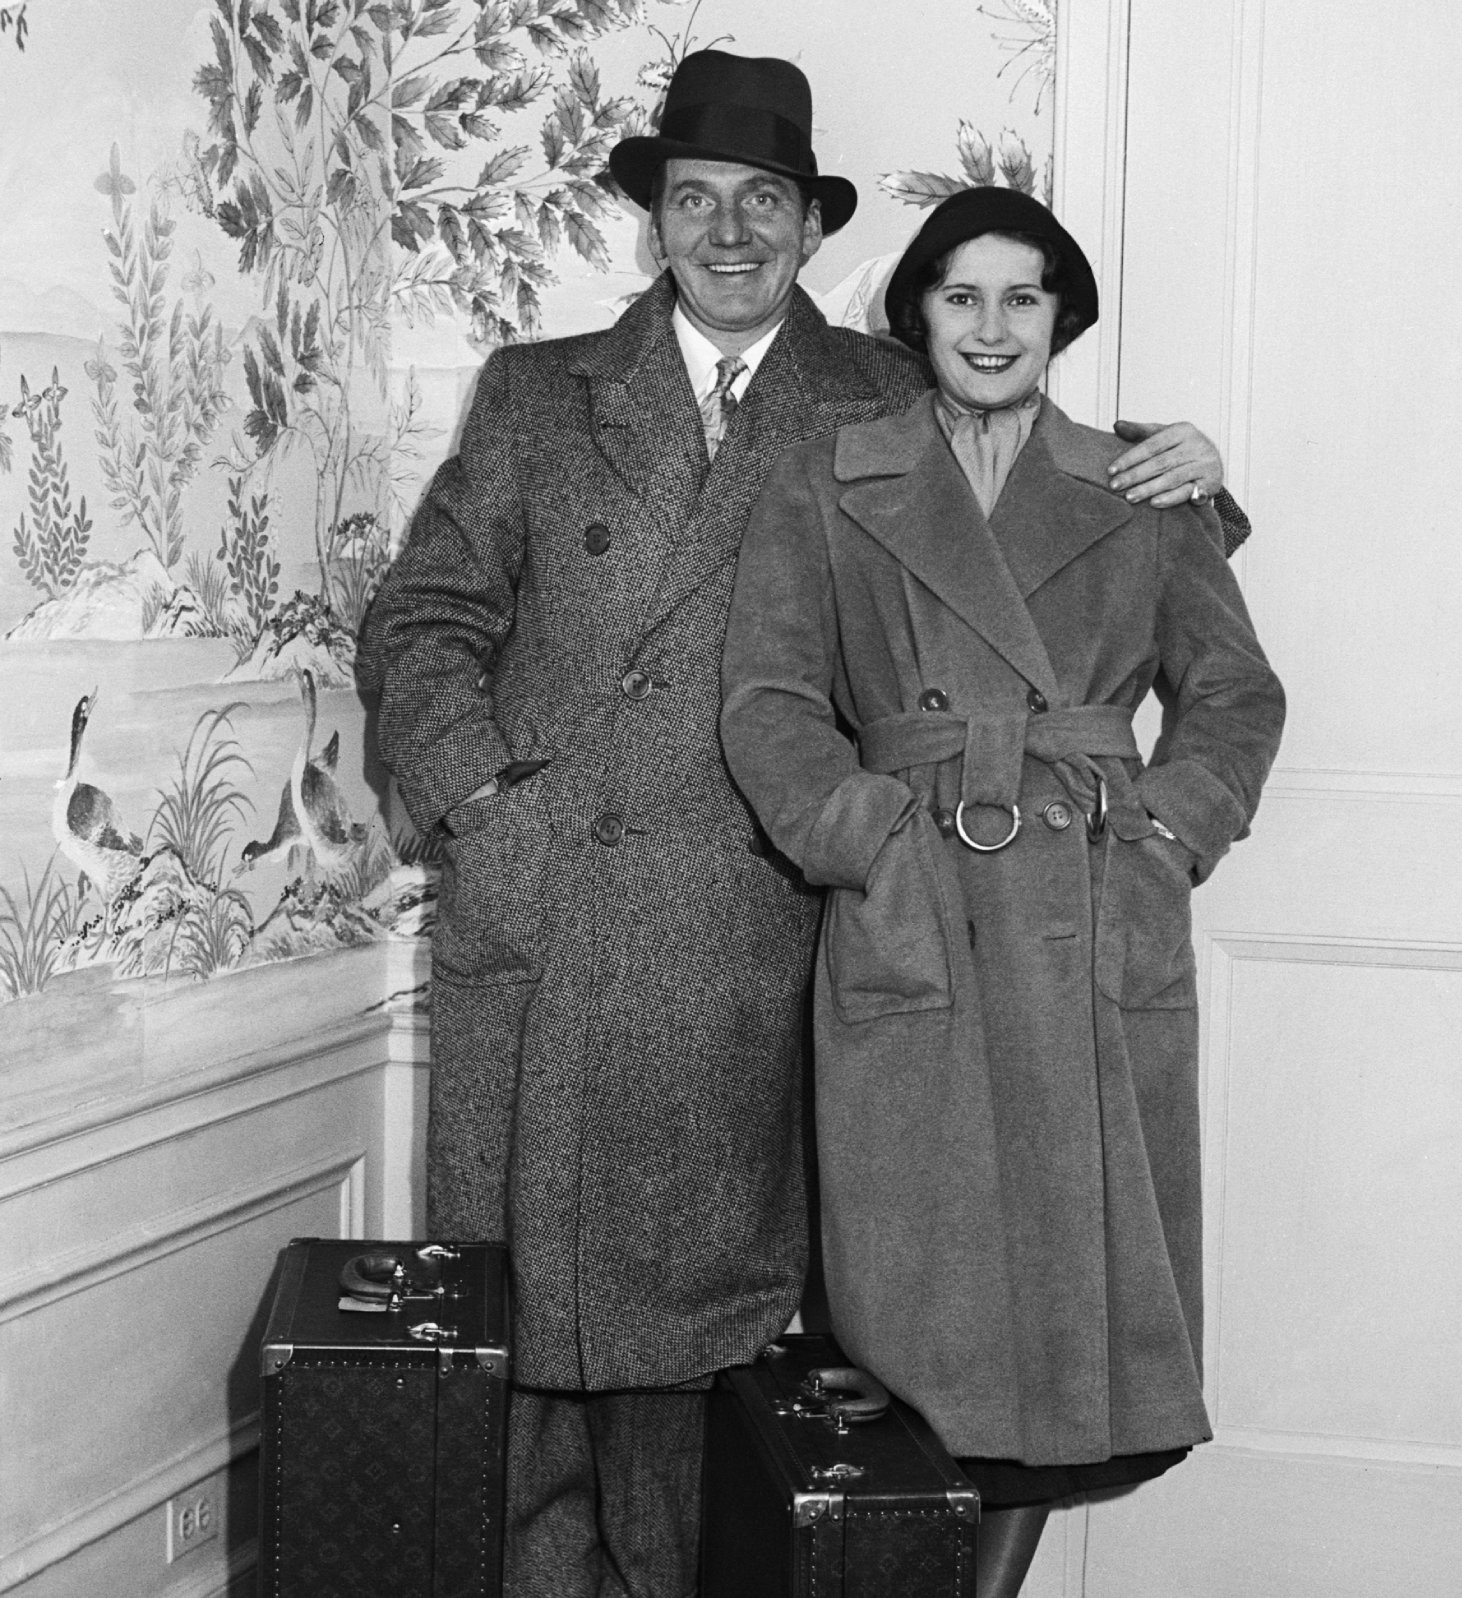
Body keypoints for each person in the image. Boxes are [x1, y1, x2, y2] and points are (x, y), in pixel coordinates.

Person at [358, 51, 1249, 1598]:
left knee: (765, 1367)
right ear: (655, 222)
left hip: (791, 933)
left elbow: (1045, 497)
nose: (727, 231)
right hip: (559, 913)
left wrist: (1201, 481)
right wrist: (482, 801)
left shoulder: (882, 393)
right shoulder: (536, 395)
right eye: (693, 200)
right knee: (541, 1350)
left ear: (810, 226)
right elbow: (421, 616)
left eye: (760, 202)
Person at [718, 187, 1286, 1598]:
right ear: (917, 313)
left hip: (1087, 913)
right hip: (917, 911)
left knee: (1064, 1350)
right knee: (916, 1314)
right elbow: (771, 702)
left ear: (1061, 319)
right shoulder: (832, 478)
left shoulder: (1144, 486)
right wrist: (869, 840)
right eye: (961, 296)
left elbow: (1236, 699)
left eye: (1021, 297)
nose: (990, 325)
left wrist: (1161, 836)